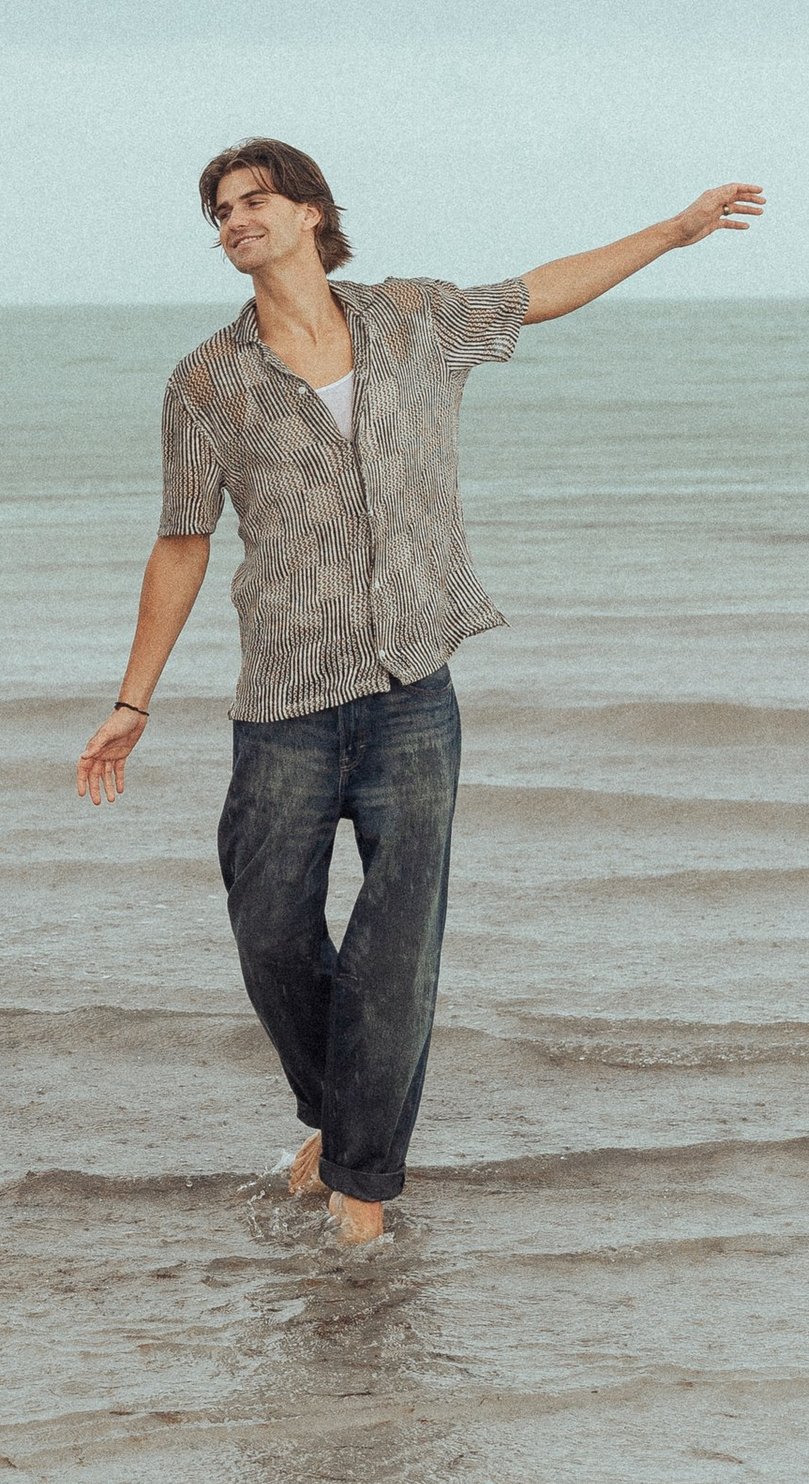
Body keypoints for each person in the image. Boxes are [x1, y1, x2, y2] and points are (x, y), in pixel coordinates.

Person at [78, 141, 763, 1248]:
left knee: (396, 951)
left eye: (254, 200)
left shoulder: (413, 320)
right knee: (269, 935)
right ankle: (343, 1123)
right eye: (220, 212)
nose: (234, 221)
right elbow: (181, 541)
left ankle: (361, 1193)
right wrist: (132, 702)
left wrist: (674, 232)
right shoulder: (206, 382)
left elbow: (541, 291)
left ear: (310, 213)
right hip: (285, 702)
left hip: (411, 695)